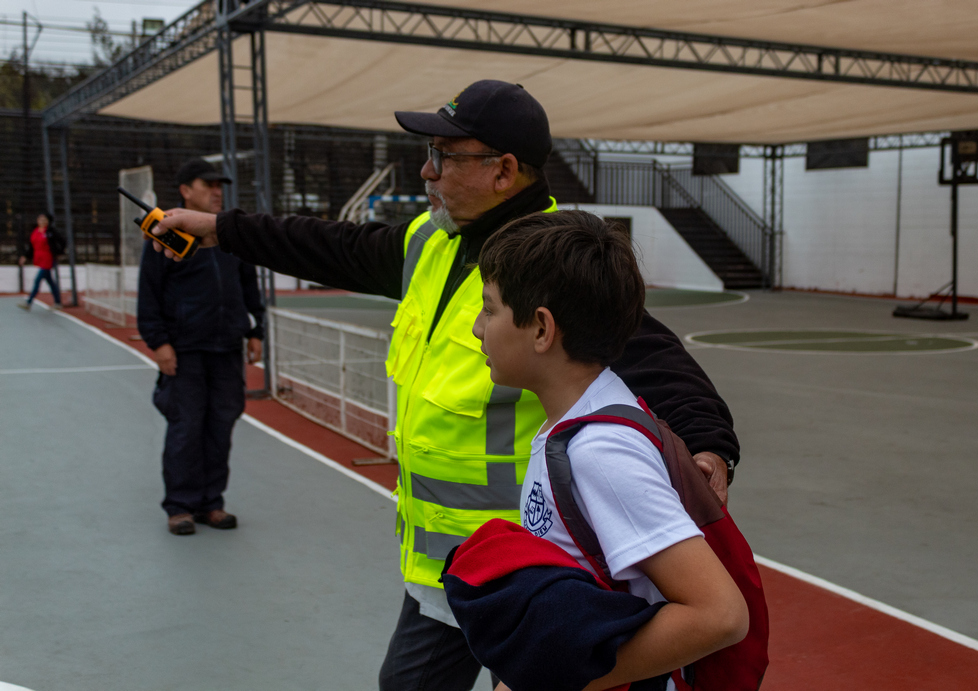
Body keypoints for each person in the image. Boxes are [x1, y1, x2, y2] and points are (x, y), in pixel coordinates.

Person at [149, 80, 741, 690]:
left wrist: (707, 445)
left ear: (503, 170)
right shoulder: (431, 241)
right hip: (455, 563)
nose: (426, 170)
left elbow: (654, 355)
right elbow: (327, 245)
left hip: (532, 565)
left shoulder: (551, 258)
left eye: (444, 155)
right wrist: (219, 229)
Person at [457, 209, 748, 690]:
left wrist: (554, 680)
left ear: (541, 329)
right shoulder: (575, 421)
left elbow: (720, 615)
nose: (476, 326)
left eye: (489, 309)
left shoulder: (600, 452)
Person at [137, 158, 265, 536]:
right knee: (186, 426)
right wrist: (159, 342)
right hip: (185, 350)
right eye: (207, 184)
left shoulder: (229, 234)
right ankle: (180, 505)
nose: (216, 192)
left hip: (226, 348)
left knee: (221, 424)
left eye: (218, 186)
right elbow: (149, 293)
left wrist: (256, 330)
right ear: (185, 191)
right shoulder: (165, 234)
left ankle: (212, 502)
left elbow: (248, 284)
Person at [17, 212, 64, 311]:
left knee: (37, 280)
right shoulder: (35, 231)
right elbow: (32, 246)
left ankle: (29, 302)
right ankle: (58, 302)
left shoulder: (50, 232)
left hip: (47, 259)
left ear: (48, 221)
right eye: (40, 219)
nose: (42, 222)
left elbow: (62, 241)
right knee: (50, 282)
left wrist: (59, 252)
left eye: (44, 220)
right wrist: (25, 256)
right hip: (39, 258)